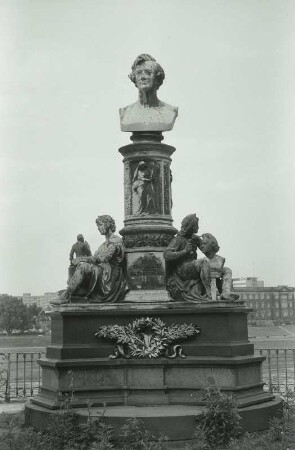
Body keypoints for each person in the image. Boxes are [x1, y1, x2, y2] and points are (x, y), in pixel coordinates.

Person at [51, 215, 128, 304]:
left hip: (110, 278)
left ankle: (66, 296)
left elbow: (102, 258)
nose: (98, 228)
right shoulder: (103, 244)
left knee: (83, 266)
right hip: (102, 272)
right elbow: (94, 257)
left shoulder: (116, 240)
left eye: (100, 225)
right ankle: (74, 294)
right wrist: (81, 260)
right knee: (78, 266)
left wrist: (81, 259)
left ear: (107, 224)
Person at [119, 54, 178, 132]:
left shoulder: (170, 111)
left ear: (157, 78)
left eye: (148, 72)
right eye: (139, 73)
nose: (143, 77)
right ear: (134, 78)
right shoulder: (125, 113)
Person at [164, 214, 210, 302]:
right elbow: (167, 255)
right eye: (196, 225)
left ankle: (225, 293)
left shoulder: (194, 238)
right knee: (204, 262)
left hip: (192, 266)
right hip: (183, 269)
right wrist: (184, 251)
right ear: (190, 226)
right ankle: (210, 294)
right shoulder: (178, 239)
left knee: (226, 270)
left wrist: (207, 242)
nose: (198, 227)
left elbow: (208, 252)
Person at [199, 233, 239, 301]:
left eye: (204, 244)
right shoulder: (203, 261)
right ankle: (213, 294)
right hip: (205, 286)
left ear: (212, 245)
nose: (201, 246)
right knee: (206, 268)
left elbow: (218, 269)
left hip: (214, 282)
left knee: (227, 270)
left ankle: (226, 293)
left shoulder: (219, 260)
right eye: (201, 244)